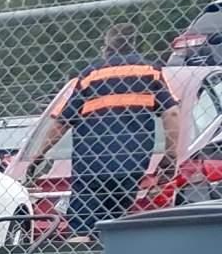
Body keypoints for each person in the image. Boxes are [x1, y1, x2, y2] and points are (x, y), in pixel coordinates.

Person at [26, 22, 190, 239]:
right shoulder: (149, 72)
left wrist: (38, 156)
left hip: (90, 165)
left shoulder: (90, 76)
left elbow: (61, 122)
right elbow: (172, 114)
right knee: (115, 226)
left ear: (106, 46)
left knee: (82, 227)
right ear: (134, 44)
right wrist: (170, 156)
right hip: (131, 163)